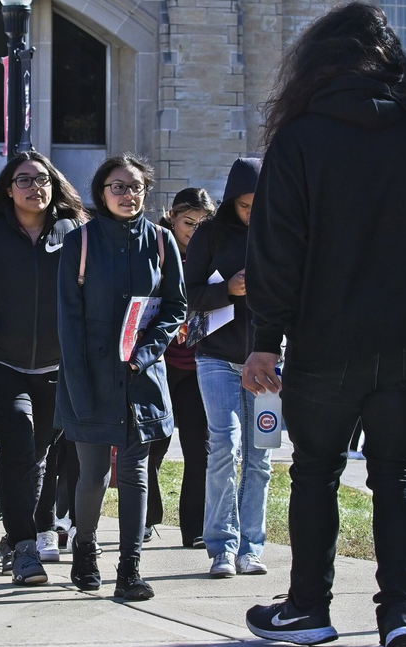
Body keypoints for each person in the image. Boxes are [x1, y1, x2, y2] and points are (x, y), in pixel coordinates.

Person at [241, 2, 406, 647]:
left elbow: (275, 252)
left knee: (316, 472)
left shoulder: (300, 140)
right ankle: (400, 616)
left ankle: (309, 608)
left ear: (318, 64)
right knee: (396, 473)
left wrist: (265, 341)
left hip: (325, 338)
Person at [57, 154, 186, 600]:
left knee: (134, 474)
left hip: (141, 377)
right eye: (118, 187)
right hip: (90, 375)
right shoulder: (80, 242)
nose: (127, 195)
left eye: (135, 187)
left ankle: (130, 568)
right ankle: (85, 548)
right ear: (102, 192)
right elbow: (68, 321)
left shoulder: (162, 241)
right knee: (92, 475)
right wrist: (78, 387)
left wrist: (146, 353)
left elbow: (175, 306)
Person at [0, 151, 85, 584]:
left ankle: (14, 537)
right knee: (16, 443)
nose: (35, 187)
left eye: (42, 179)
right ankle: (26, 548)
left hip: (55, 367)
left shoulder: (74, 232)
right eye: (24, 180)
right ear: (9, 189)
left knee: (38, 455)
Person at [183, 156, 270, 579]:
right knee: (224, 446)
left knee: (260, 457)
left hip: (270, 361)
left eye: (259, 204)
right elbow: (188, 294)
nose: (252, 213)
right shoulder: (210, 234)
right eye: (245, 205)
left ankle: (251, 548)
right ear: (232, 200)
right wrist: (229, 290)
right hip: (216, 356)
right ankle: (221, 546)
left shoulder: (286, 231)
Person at [150, 187, 215, 547]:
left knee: (198, 447)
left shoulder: (214, 252)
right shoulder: (156, 248)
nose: (194, 230)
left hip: (197, 364)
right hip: (158, 363)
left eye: (202, 224)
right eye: (188, 222)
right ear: (172, 217)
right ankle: (147, 517)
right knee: (152, 445)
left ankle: (195, 529)